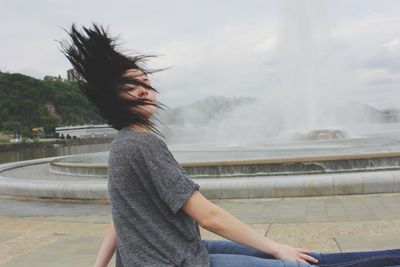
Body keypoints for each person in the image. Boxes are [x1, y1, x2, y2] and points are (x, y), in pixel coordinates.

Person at [61, 24, 400, 267]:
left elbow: (119, 215)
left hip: (178, 250)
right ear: (112, 96)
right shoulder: (142, 144)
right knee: (291, 260)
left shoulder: (124, 144)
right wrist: (278, 248)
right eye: (131, 85)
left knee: (300, 256)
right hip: (175, 260)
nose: (144, 90)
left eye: (147, 83)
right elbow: (209, 216)